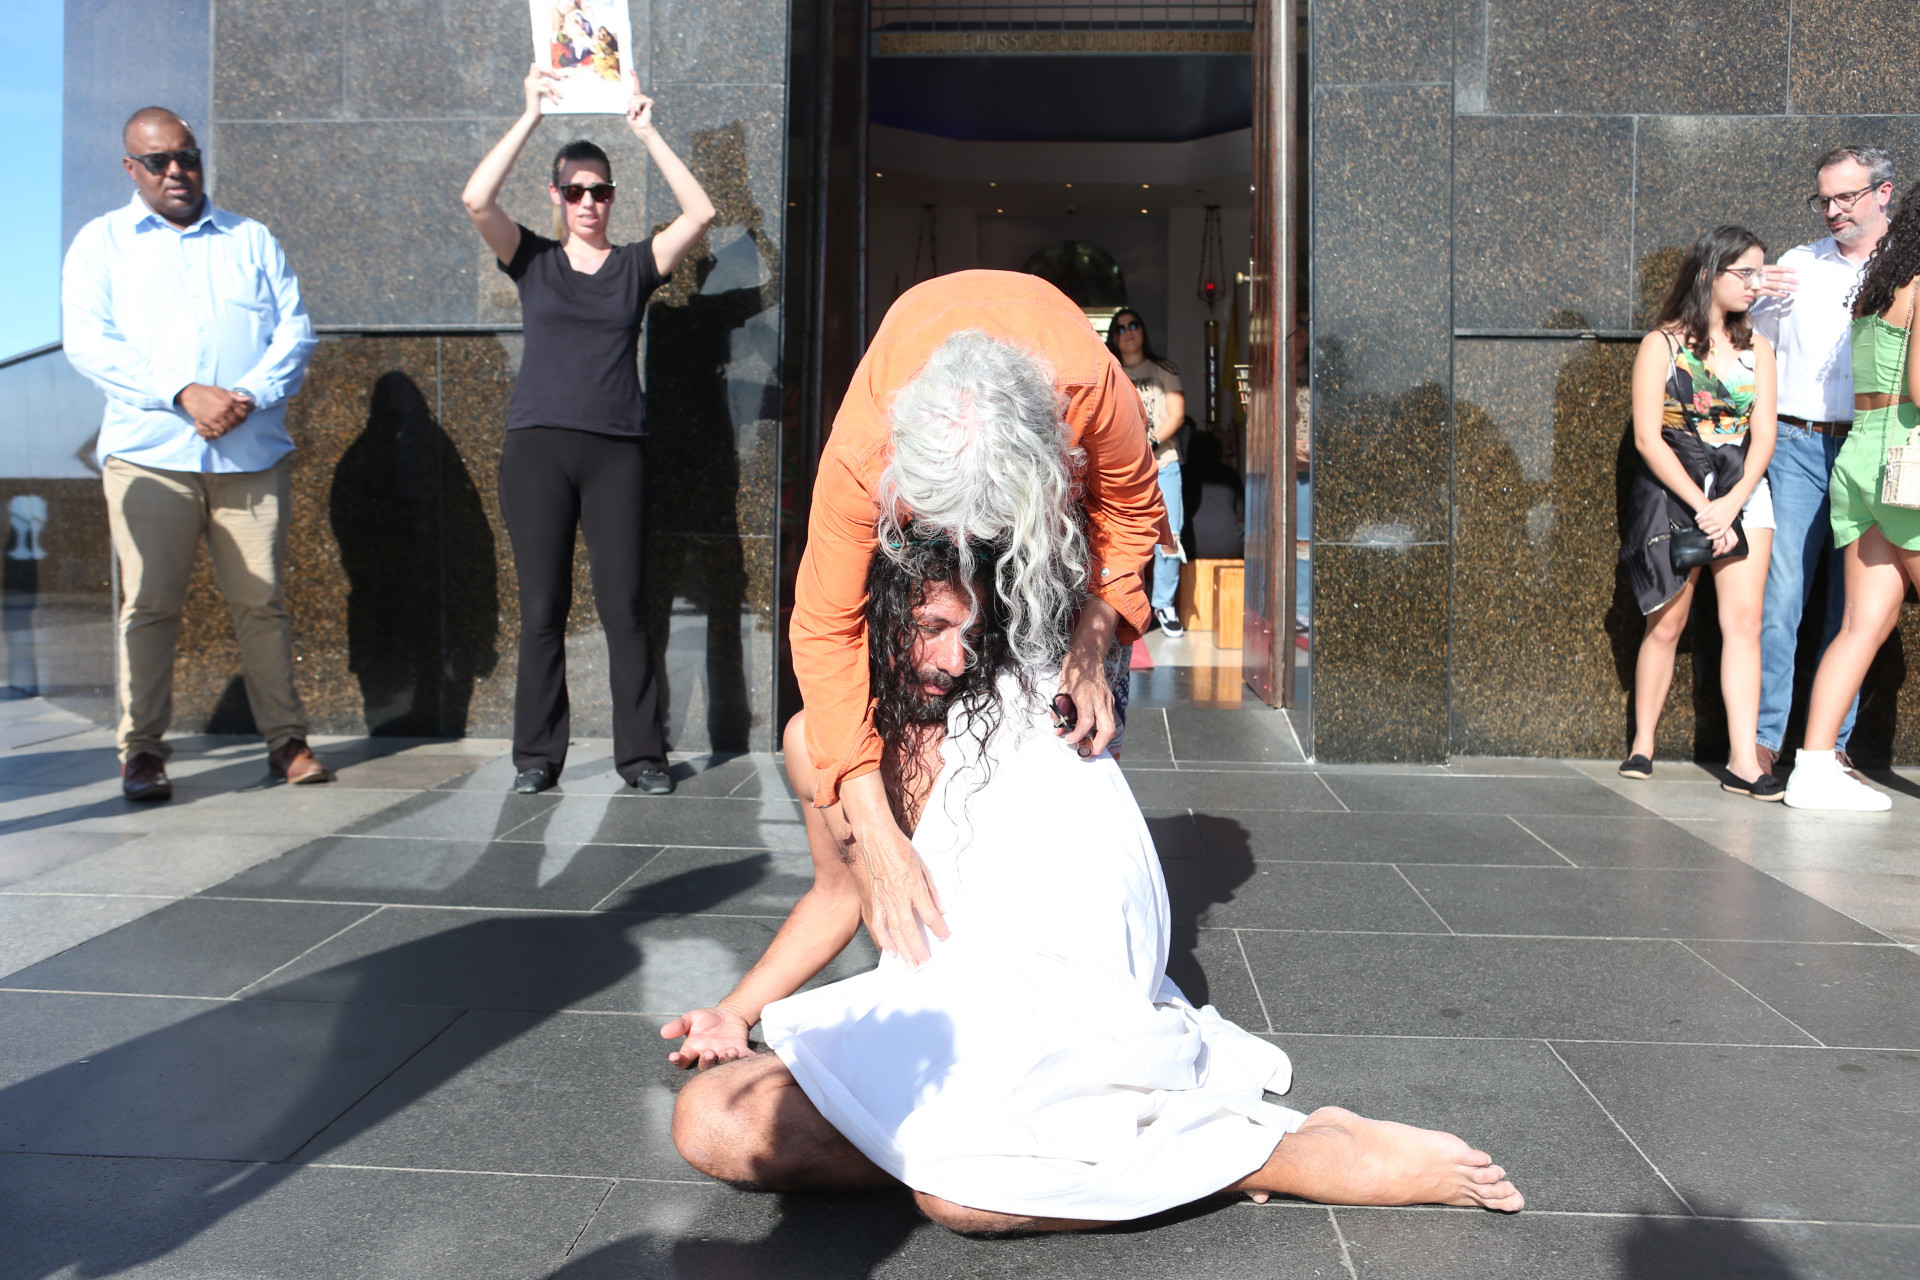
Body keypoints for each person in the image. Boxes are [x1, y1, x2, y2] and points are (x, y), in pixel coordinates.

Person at [663, 535, 1524, 1231]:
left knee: (961, 1202)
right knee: (711, 1119)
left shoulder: (1026, 708)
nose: (953, 659)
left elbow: (1115, 546)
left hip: (1051, 1013)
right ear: (872, 620)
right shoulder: (817, 740)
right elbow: (839, 895)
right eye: (928, 627)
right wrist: (735, 1012)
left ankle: (1286, 1155)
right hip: (932, 1018)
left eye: (969, 632)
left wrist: (1088, 648)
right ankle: (1049, 1164)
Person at [789, 270, 1171, 967]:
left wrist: (1088, 652)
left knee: (1069, 734)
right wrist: (876, 838)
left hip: (1051, 542)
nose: (971, 548)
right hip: (925, 516)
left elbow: (1129, 514)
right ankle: (941, 926)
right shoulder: (862, 447)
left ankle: (1079, 930)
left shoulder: (1089, 385)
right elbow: (825, 625)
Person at [461, 64, 715, 796]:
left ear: (611, 196)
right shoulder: (532, 260)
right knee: (543, 608)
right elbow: (476, 198)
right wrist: (530, 116)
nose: (588, 203)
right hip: (537, 449)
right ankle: (537, 757)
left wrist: (646, 131)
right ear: (555, 196)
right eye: (574, 191)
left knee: (624, 609)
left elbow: (698, 214)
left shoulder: (635, 267)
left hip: (616, 453)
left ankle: (642, 758)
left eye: (599, 191)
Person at [62, 107, 325, 802]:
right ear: (131, 168)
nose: (177, 171)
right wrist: (183, 393)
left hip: (250, 455)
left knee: (263, 603)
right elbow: (89, 342)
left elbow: (294, 332)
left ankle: (287, 743)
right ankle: (142, 752)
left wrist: (243, 395)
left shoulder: (250, 239)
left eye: (188, 156)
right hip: (149, 458)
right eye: (158, 161)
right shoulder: (101, 244)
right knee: (149, 606)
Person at [1618, 227, 1781, 798]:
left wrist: (1732, 503)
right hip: (1676, 495)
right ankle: (1643, 744)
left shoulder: (1758, 348)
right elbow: (1646, 438)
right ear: (1711, 273)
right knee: (1666, 622)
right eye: (1747, 273)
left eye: (1761, 273)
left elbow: (1764, 438)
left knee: (1744, 626)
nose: (1756, 285)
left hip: (1742, 494)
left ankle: (1743, 761)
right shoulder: (1661, 345)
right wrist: (1703, 506)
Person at [1748, 146, 1895, 780]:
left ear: (1883, 193)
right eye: (1824, 199)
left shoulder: (1905, 268)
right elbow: (1756, 347)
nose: (1833, 210)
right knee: (1782, 597)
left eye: (1846, 197)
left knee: (1855, 607)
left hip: (1873, 445)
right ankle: (1762, 738)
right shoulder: (1799, 264)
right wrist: (1750, 292)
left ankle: (1830, 745)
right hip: (1799, 444)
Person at [1782, 182, 1920, 811]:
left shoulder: (1878, 286)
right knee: (1862, 623)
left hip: (1863, 455)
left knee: (1862, 623)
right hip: (1909, 458)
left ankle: (1812, 770)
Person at [1105, 309, 1187, 636]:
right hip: (1124, 471)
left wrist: (1150, 441)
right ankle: (1130, 607)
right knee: (1124, 538)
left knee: (1169, 538)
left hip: (1164, 464)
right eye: (1121, 328)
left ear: (1143, 331)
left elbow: (1177, 414)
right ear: (1113, 337)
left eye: (1134, 324)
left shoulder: (1163, 368)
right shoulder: (1111, 372)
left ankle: (1163, 604)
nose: (1128, 332)